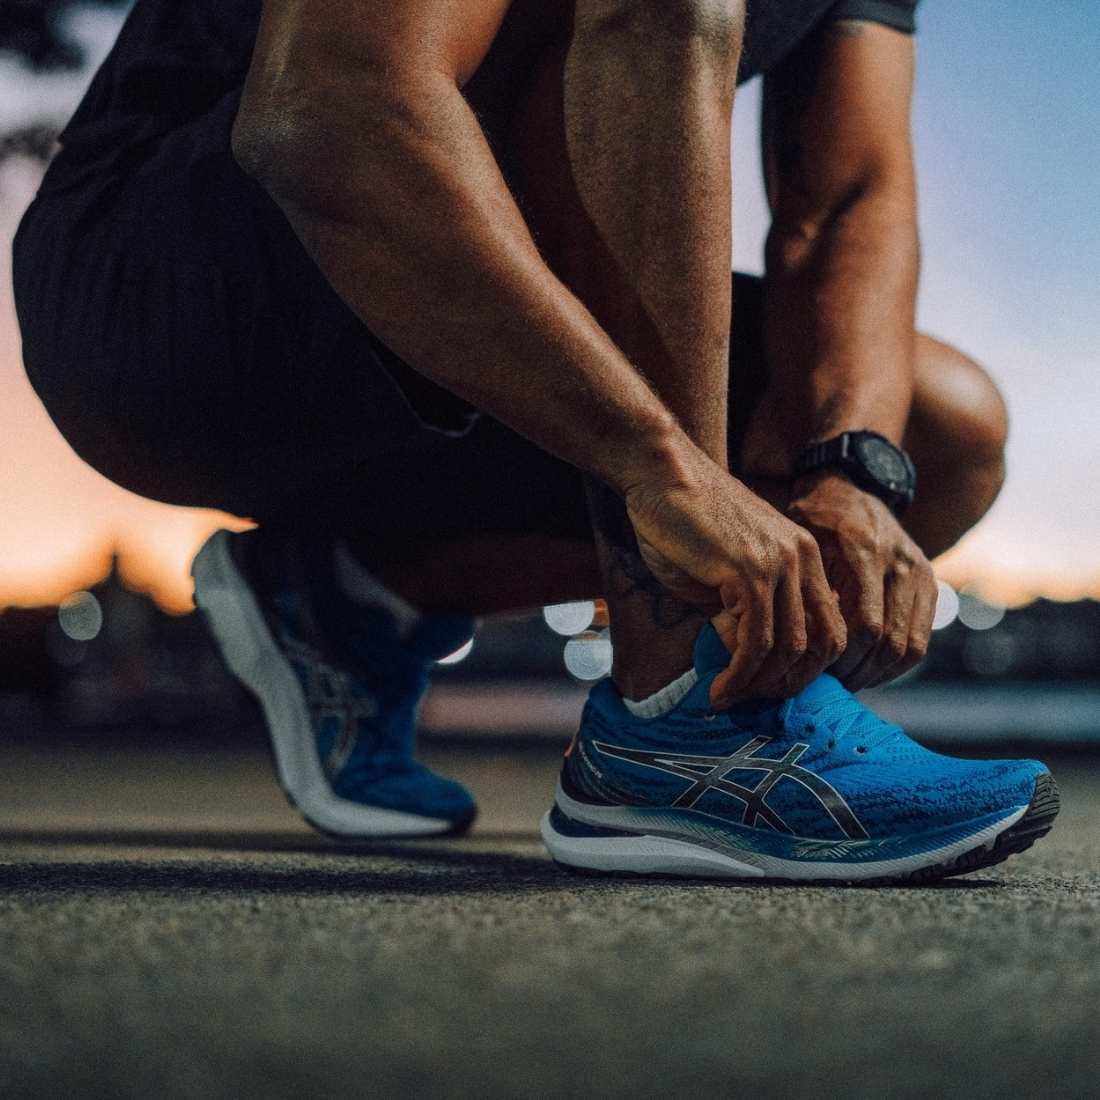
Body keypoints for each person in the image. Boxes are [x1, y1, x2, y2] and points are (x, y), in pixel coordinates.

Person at [13, 0, 1059, 879]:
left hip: (466, 330)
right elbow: (325, 111)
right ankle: (675, 715)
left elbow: (844, 204)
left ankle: (354, 589)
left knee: (932, 431)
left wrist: (850, 475)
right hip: (167, 296)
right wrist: (659, 462)